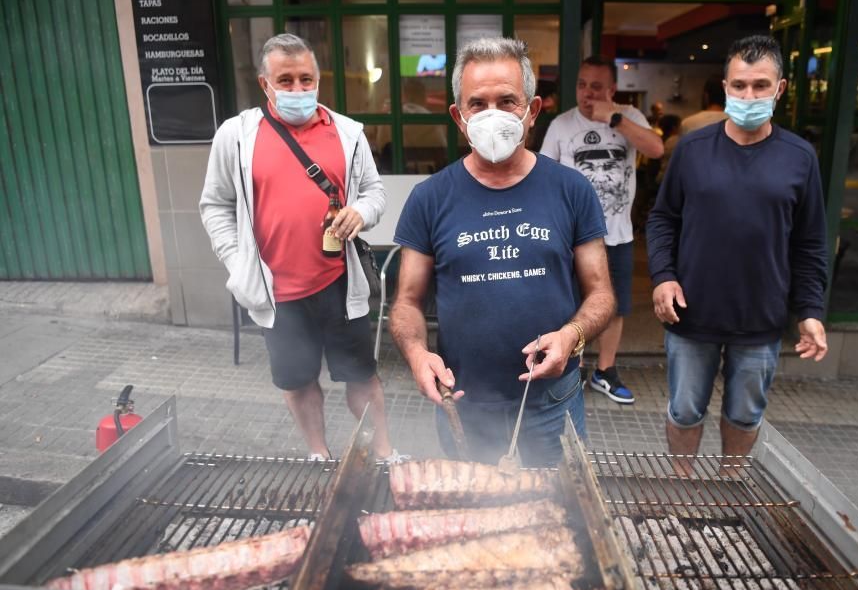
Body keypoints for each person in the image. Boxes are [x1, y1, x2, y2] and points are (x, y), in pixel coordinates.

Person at [390, 37, 615, 467]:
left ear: (532, 110)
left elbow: (601, 294)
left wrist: (571, 337)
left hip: (553, 403)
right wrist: (418, 355)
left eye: (507, 100)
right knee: (476, 523)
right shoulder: (430, 198)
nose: (492, 114)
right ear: (459, 116)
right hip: (465, 404)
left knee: (560, 517)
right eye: (478, 103)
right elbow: (406, 301)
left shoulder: (572, 190)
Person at [200, 33, 394, 461]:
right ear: (264, 83)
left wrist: (361, 212)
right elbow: (215, 204)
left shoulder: (347, 132)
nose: (298, 90)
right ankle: (318, 456)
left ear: (318, 79)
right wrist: (237, 262)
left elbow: (375, 192)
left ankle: (383, 453)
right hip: (276, 293)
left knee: (363, 377)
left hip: (340, 286)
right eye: (285, 80)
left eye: (306, 79)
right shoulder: (236, 136)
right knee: (297, 382)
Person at [646, 35, 829, 474]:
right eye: (740, 85)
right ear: (726, 87)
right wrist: (663, 276)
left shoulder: (800, 158)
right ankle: (682, 485)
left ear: (780, 89)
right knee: (685, 409)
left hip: (760, 316)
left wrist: (809, 310)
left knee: (746, 414)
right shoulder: (692, 150)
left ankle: (729, 484)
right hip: (692, 312)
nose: (749, 96)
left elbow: (810, 243)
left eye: (760, 86)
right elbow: (662, 219)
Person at [541, 57, 664, 405]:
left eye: (596, 86)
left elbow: (655, 149)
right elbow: (543, 177)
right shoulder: (562, 125)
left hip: (617, 233)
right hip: (570, 237)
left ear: (612, 89)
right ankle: (568, 365)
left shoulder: (629, 117)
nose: (587, 92)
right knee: (569, 304)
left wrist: (613, 118)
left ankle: (605, 371)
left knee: (615, 306)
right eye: (582, 84)